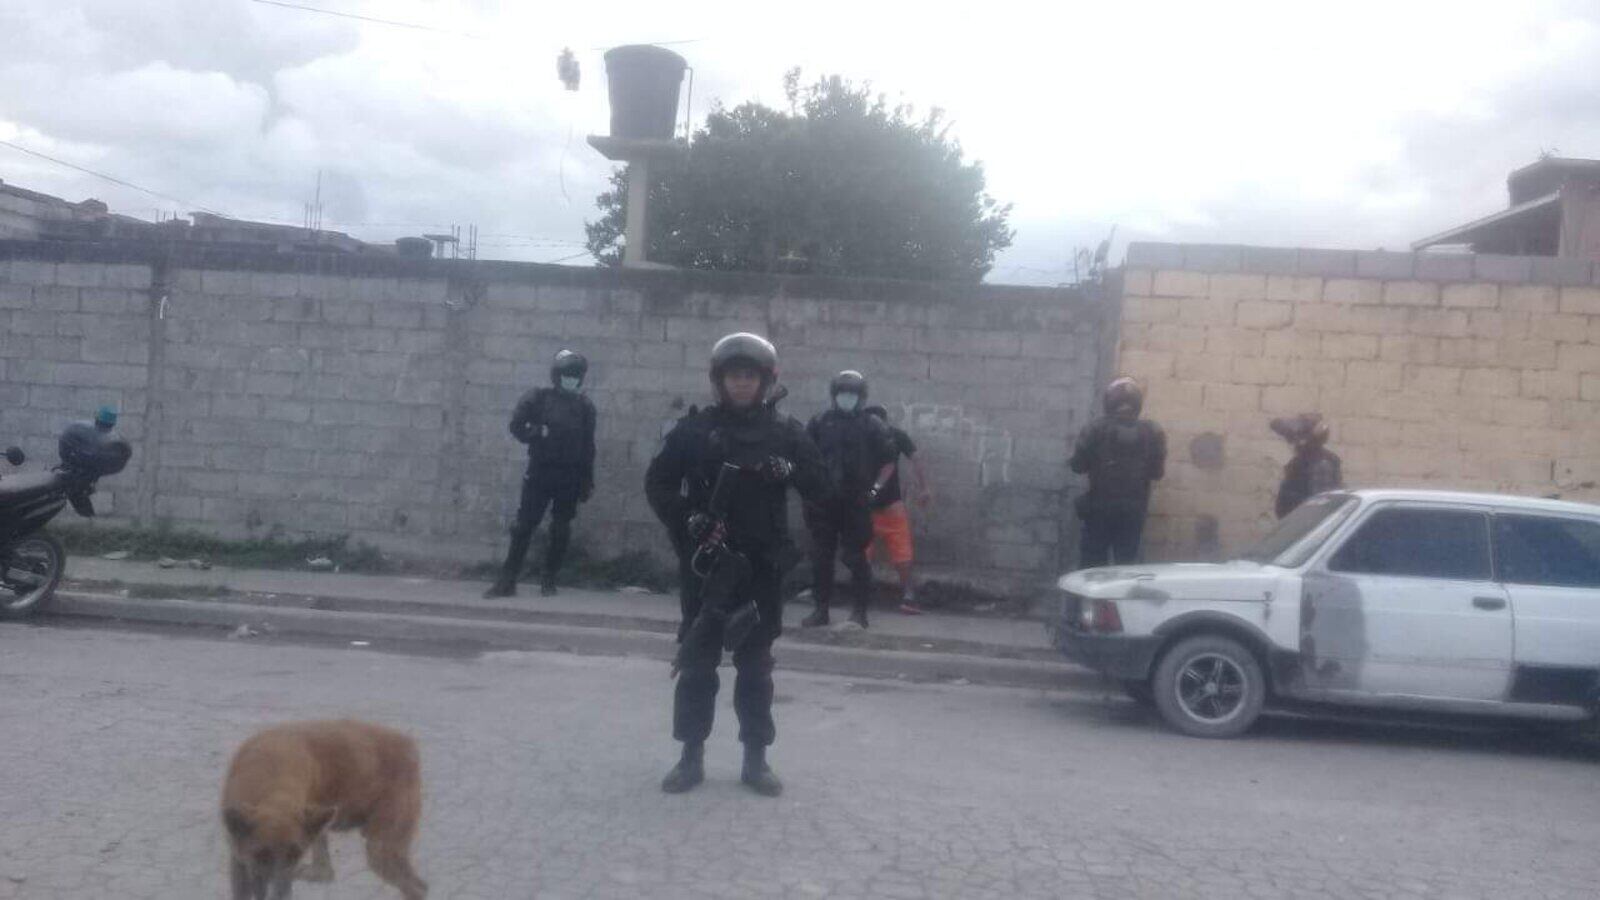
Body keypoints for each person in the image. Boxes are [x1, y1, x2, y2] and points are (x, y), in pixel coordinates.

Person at [645, 333, 830, 797]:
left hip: (761, 570)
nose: (742, 384)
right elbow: (659, 485)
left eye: (750, 376)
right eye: (734, 376)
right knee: (697, 665)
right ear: (719, 381)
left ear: (766, 381)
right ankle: (690, 757)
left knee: (755, 669)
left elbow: (823, 488)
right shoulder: (693, 431)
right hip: (708, 569)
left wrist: (790, 472)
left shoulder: (787, 432)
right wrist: (689, 518)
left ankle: (755, 760)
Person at [484, 349, 597, 598]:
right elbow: (516, 425)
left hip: (569, 475)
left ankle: (549, 578)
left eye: (575, 376)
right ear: (557, 376)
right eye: (567, 375)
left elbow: (588, 446)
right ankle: (508, 579)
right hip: (540, 472)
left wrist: (587, 479)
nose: (571, 380)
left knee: (560, 528)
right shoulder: (539, 398)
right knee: (524, 526)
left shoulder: (585, 407)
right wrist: (535, 432)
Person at [801, 371, 897, 629]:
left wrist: (875, 491)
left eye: (852, 394)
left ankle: (860, 612)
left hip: (856, 501)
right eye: (843, 393)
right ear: (834, 396)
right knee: (821, 558)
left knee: (855, 557)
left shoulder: (872, 425)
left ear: (861, 397)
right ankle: (820, 610)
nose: (847, 398)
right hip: (823, 502)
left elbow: (889, 462)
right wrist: (809, 488)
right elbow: (805, 457)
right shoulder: (820, 422)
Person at [1069, 377, 1166, 568]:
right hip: (1134, 511)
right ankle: (1120, 599)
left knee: (1092, 566)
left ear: (1109, 401)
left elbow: (1077, 466)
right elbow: (1157, 473)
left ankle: (1094, 598)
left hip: (1099, 509)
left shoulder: (1095, 428)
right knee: (1127, 567)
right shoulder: (1153, 432)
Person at [864, 405, 931, 614]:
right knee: (896, 554)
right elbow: (916, 459)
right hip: (883, 504)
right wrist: (924, 487)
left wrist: (924, 488)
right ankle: (907, 596)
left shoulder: (861, 435)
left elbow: (916, 459)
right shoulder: (891, 435)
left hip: (874, 505)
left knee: (873, 552)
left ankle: (864, 595)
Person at [1271, 413, 1343, 518]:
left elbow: (1321, 507)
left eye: (1297, 438)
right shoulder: (1301, 462)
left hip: (1308, 527)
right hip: (1295, 525)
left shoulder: (1322, 463)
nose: (1294, 443)